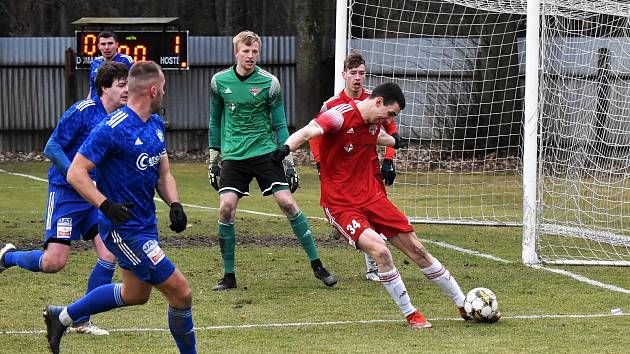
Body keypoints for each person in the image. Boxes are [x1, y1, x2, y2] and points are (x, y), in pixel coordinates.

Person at [270, 82, 500, 328]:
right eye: (391, 113)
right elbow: (307, 131)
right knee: (381, 251)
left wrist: (393, 141)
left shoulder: (374, 123)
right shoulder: (338, 117)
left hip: (372, 197)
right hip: (341, 205)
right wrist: (283, 150)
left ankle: (462, 303)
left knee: (418, 250)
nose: (390, 118)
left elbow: (376, 135)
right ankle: (412, 314)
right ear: (378, 102)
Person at [42, 61, 196, 354]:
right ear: (153, 90)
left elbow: (163, 173)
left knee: (135, 294)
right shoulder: (110, 129)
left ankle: (60, 317)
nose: (164, 92)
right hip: (124, 230)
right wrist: (105, 204)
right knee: (181, 292)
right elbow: (76, 172)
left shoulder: (155, 124)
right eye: (162, 88)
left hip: (145, 224)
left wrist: (174, 203)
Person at [0, 61, 130, 336]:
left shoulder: (118, 118)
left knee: (109, 252)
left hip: (93, 196)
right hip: (66, 194)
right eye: (122, 85)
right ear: (105, 88)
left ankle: (81, 319)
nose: (127, 90)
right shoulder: (82, 112)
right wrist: (74, 173)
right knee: (54, 263)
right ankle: (7, 257)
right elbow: (52, 145)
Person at [207, 30, 336, 291]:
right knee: (226, 209)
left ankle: (318, 266)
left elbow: (280, 124)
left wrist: (289, 163)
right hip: (234, 156)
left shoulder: (270, 83)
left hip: (266, 153)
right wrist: (213, 158)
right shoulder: (219, 82)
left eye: (255, 51)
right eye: (246, 51)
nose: (251, 56)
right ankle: (229, 275)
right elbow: (214, 120)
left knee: (288, 203)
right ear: (236, 52)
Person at [309, 52, 400, 282]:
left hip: (369, 169)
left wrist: (389, 159)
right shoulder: (331, 105)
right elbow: (314, 136)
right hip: (341, 173)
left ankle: (374, 267)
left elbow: (391, 131)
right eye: (353, 73)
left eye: (361, 73)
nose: (357, 78)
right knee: (355, 216)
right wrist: (321, 163)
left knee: (377, 213)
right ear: (344, 75)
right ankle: (370, 257)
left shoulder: (375, 101)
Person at [87, 30, 134, 98]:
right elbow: (92, 88)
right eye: (103, 44)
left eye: (110, 43)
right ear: (98, 46)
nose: (107, 47)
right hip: (97, 106)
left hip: (118, 106)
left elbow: (133, 87)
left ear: (116, 45)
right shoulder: (95, 62)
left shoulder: (126, 61)